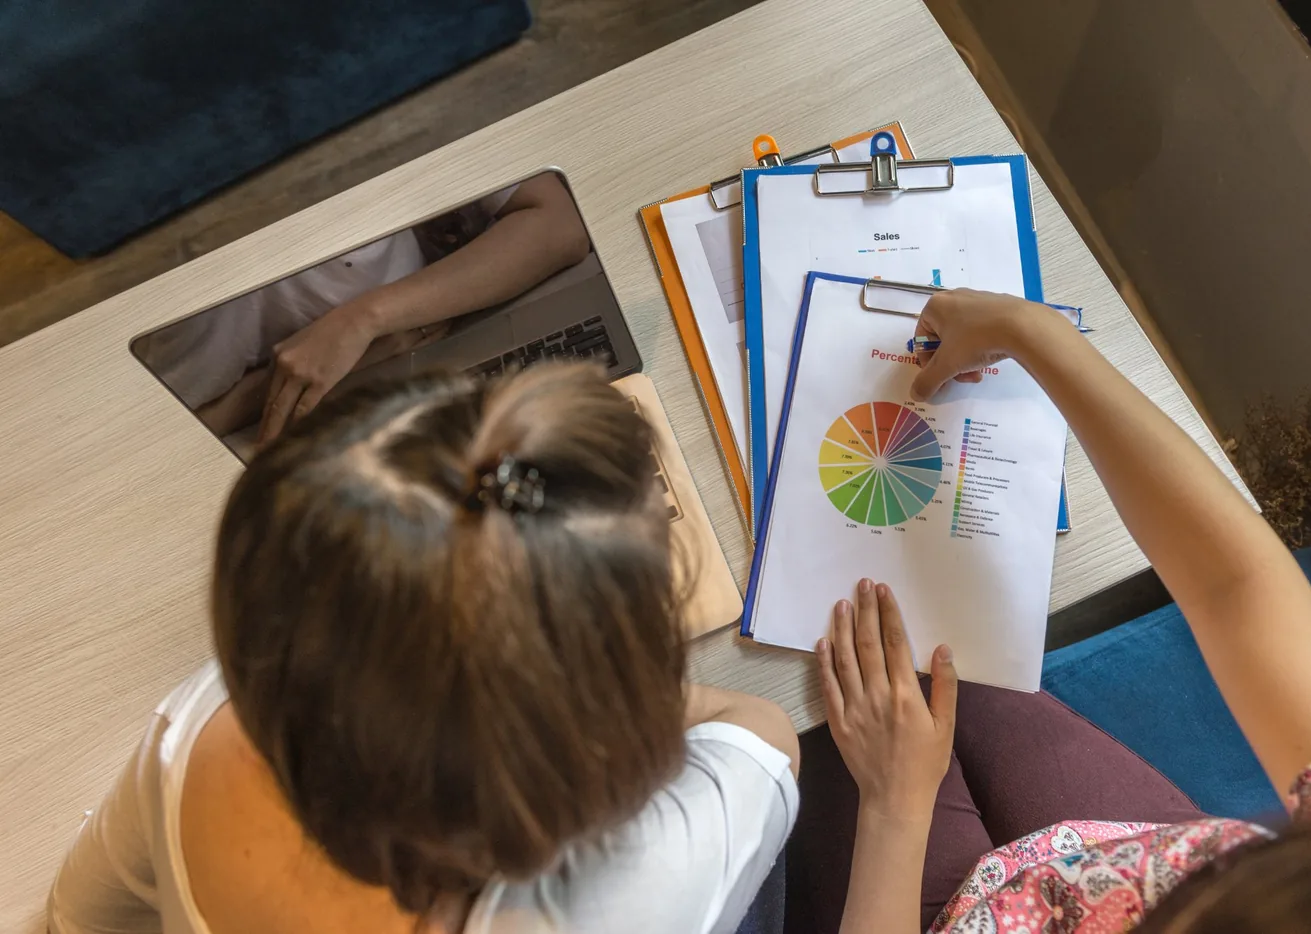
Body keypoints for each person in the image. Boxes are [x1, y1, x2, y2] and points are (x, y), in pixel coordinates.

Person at [48, 363, 799, 934]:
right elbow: (763, 733)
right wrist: (611, 679)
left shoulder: (205, 721)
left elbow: (74, 916)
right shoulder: (636, 889)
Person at [795, 289, 1311, 933]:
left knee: (832, 699)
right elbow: (1236, 583)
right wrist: (1030, 331)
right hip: (1098, 863)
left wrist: (895, 805)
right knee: (939, 656)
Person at [133, 172, 591, 444]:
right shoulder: (208, 294)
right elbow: (166, 441)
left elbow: (561, 225)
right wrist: (339, 361)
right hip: (329, 415)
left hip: (447, 333)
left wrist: (369, 319)